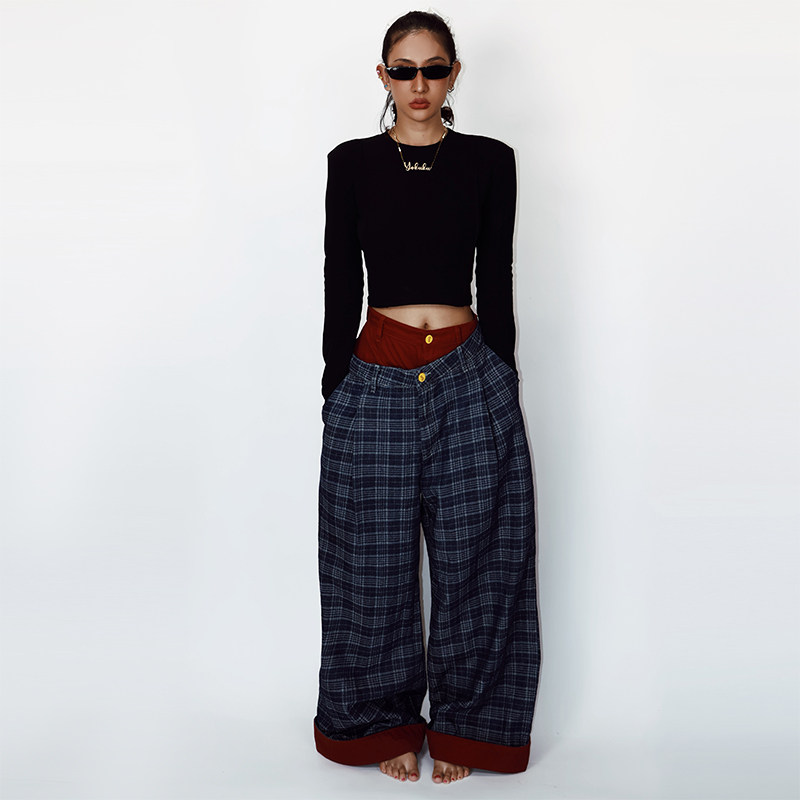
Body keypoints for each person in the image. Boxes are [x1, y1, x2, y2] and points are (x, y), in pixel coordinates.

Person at [314, 10, 541, 785]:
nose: (419, 84)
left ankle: (469, 731)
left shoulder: (489, 161)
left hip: (468, 372)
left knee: (482, 557)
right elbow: (340, 276)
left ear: (454, 74)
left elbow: (496, 273)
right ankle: (382, 724)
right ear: (384, 76)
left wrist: (502, 374)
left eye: (434, 68)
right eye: (404, 70)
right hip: (374, 371)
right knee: (369, 563)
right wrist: (335, 382)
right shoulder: (351, 163)